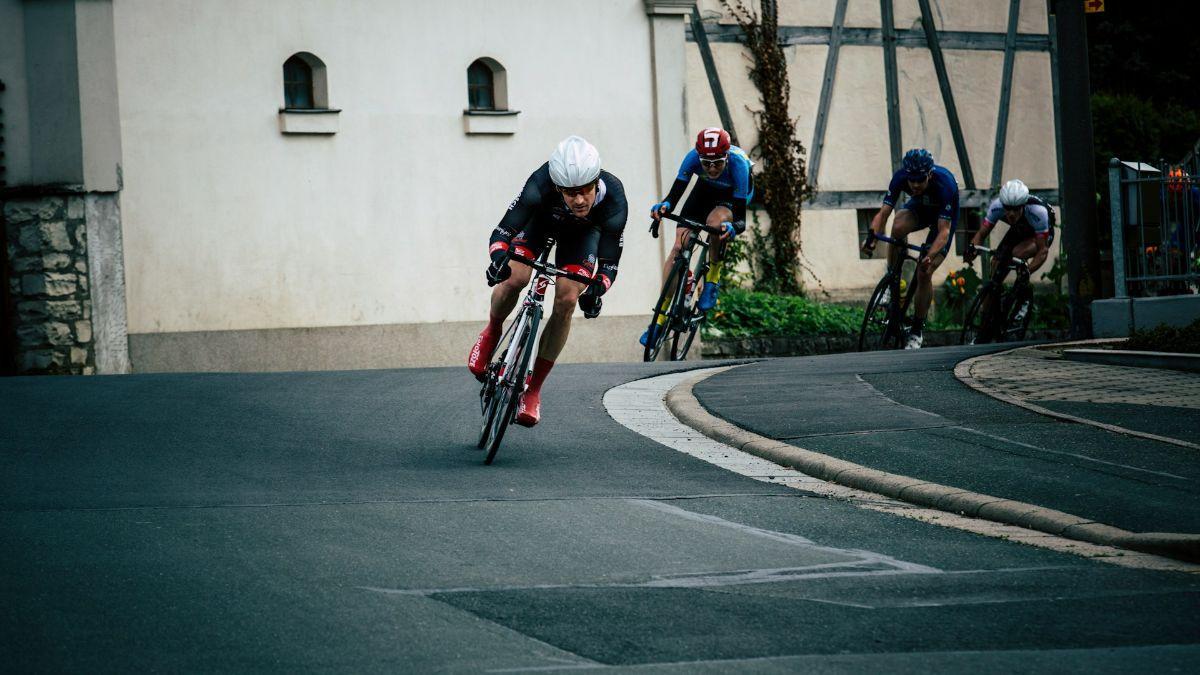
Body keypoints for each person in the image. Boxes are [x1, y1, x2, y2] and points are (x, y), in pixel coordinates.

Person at [467, 136, 628, 426]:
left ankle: (534, 389)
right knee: (515, 276)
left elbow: (609, 262)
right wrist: (498, 258)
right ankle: (492, 332)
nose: (579, 200)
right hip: (539, 224)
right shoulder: (540, 183)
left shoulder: (614, 198)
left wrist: (597, 290)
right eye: (570, 193)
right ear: (557, 188)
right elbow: (504, 230)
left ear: (596, 182)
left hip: (582, 236)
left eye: (585, 191)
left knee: (568, 298)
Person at [644, 126, 753, 346]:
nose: (712, 169)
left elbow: (740, 219)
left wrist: (733, 228)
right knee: (678, 246)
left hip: (732, 197)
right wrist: (665, 206)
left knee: (715, 223)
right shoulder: (692, 158)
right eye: (706, 164)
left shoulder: (738, 165)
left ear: (727, 157)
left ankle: (712, 276)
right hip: (704, 192)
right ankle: (659, 319)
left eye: (718, 164)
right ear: (699, 158)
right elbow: (675, 195)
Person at [861, 148, 960, 349]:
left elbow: (943, 233)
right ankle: (893, 281)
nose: (914, 185)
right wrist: (872, 237)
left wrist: (929, 256)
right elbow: (884, 213)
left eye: (920, 180)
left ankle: (916, 330)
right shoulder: (900, 178)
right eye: (911, 180)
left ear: (929, 175)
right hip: (922, 208)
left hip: (943, 220)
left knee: (924, 271)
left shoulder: (946, 184)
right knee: (897, 226)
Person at [964, 179, 1054, 339]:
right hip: (1019, 230)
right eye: (1008, 209)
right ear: (1003, 204)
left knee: (1017, 254)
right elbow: (981, 234)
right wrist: (971, 249)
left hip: (1038, 235)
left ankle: (1022, 298)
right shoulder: (997, 206)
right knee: (996, 262)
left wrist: (1029, 270)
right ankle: (987, 319)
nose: (1011, 213)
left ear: (1023, 205)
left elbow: (1042, 251)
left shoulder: (1037, 211)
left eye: (1015, 209)